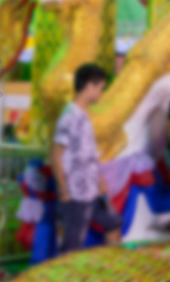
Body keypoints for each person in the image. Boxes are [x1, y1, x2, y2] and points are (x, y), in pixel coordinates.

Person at [51, 64, 122, 253]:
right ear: (90, 85)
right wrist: (65, 190)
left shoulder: (83, 115)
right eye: (100, 88)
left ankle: (112, 265)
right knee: (72, 246)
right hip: (76, 194)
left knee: (114, 222)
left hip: (92, 192)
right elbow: (56, 154)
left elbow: (88, 155)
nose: (101, 93)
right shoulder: (69, 117)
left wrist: (99, 181)